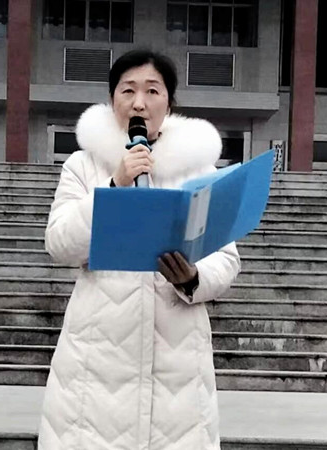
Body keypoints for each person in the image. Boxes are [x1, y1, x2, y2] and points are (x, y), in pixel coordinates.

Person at [38, 49, 241, 450]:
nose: (139, 103)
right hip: (94, 365)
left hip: (178, 372)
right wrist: (115, 186)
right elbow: (59, 242)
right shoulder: (83, 166)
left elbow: (226, 259)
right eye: (127, 90)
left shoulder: (199, 172)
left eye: (152, 90)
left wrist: (193, 278)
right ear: (111, 99)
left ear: (169, 102)